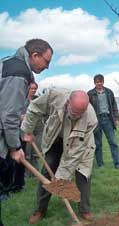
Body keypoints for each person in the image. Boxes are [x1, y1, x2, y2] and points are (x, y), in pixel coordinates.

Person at [21, 89, 98, 224]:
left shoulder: (91, 119)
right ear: (68, 102)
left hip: (79, 145)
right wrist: (28, 130)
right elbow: (34, 108)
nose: (77, 117)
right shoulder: (54, 96)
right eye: (74, 113)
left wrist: (61, 177)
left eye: (81, 114)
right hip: (55, 138)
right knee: (47, 171)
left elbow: (74, 154)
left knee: (83, 175)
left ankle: (85, 209)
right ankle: (40, 209)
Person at [0, 39, 52, 226]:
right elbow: (8, 114)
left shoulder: (9, 63)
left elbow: (11, 109)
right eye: (46, 61)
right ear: (34, 55)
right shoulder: (18, 71)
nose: (47, 67)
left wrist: (21, 135)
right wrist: (15, 146)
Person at [88, 74, 119, 169]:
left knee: (113, 142)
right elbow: (88, 108)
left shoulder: (109, 92)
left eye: (100, 82)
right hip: (96, 120)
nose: (99, 83)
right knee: (98, 144)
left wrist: (116, 118)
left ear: (103, 82)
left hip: (108, 119)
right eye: (97, 82)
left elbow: (114, 105)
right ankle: (100, 164)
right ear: (94, 83)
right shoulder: (90, 93)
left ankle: (117, 163)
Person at [21, 82, 44, 177]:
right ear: (27, 89)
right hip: (26, 129)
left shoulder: (37, 100)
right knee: (27, 153)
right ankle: (26, 174)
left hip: (38, 128)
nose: (33, 90)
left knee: (36, 153)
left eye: (35, 89)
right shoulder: (22, 100)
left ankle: (35, 174)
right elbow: (21, 115)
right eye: (32, 88)